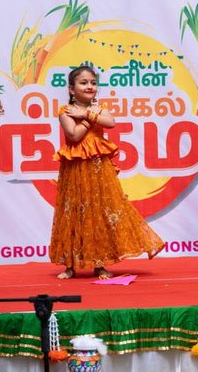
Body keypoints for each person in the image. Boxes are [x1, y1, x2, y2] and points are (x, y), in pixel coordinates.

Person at [49, 66, 165, 279]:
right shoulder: (66, 111)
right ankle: (70, 266)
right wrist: (88, 118)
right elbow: (74, 135)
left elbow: (110, 122)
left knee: (100, 213)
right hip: (75, 170)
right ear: (72, 89)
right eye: (83, 82)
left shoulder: (99, 109)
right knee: (73, 212)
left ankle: (100, 264)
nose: (90, 86)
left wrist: (86, 113)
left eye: (93, 83)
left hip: (98, 170)